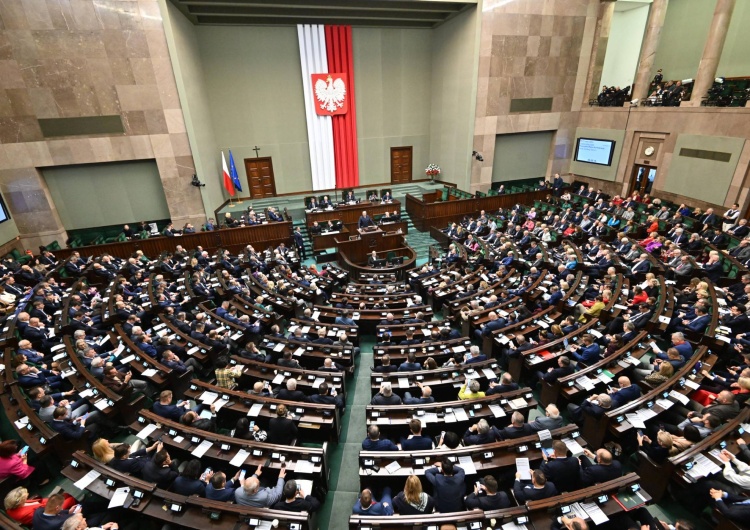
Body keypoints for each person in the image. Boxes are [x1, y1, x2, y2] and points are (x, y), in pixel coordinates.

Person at [4, 486, 78, 526]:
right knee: (70, 499)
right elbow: (47, 514)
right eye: (25, 496)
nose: (28, 495)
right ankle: (78, 506)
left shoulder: (13, 506)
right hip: (50, 513)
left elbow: (38, 502)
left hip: (44, 506)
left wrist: (51, 500)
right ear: (20, 500)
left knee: (64, 495)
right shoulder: (26, 514)